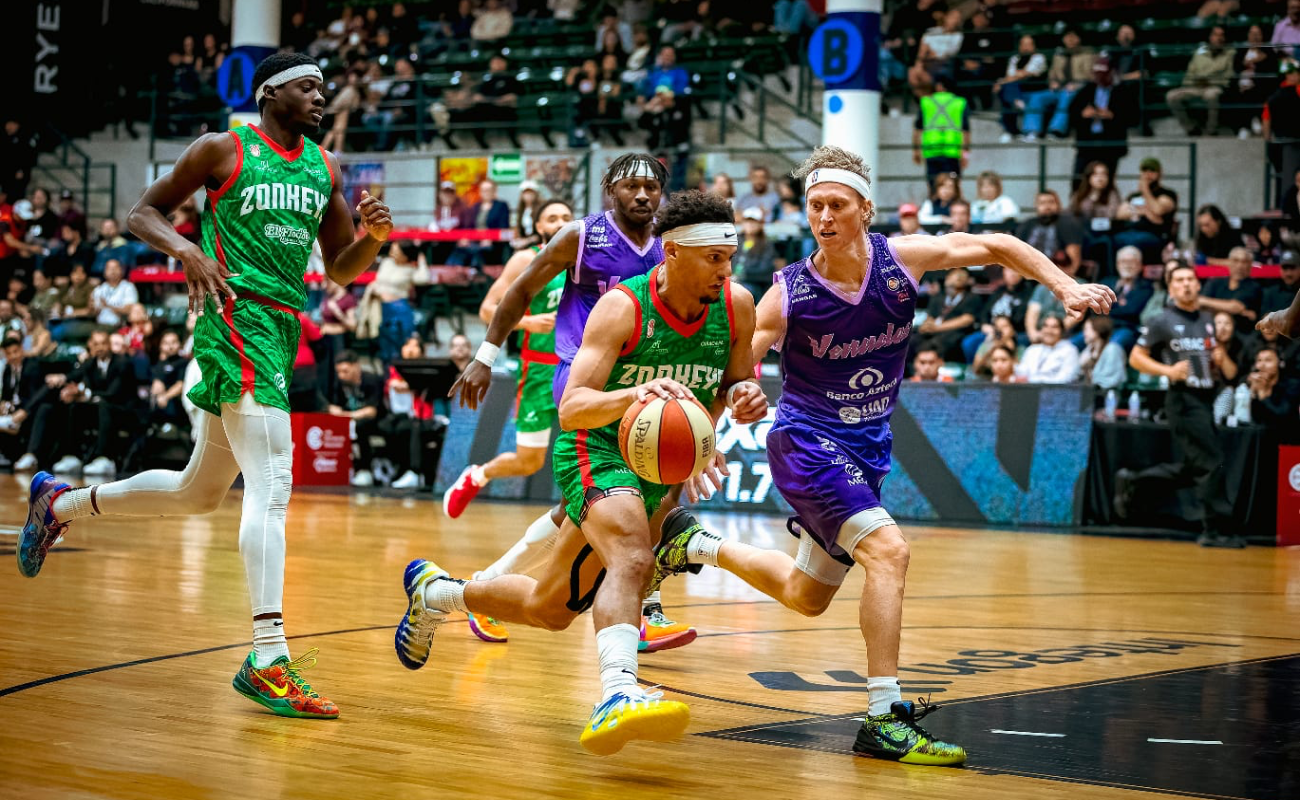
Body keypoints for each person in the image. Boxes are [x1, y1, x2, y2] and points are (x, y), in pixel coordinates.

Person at [650, 145, 1115, 766]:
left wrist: (1065, 285)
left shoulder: (904, 260)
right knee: (890, 552)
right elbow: (741, 362)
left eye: (836, 204)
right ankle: (883, 716)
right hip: (807, 444)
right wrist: (735, 399)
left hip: (867, 448)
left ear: (865, 210)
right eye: (814, 206)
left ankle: (692, 545)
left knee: (805, 595)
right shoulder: (788, 291)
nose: (823, 216)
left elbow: (1000, 244)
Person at [17, 52, 396, 719]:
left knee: (198, 493)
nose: (321, 96)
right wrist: (186, 249)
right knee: (274, 482)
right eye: (309, 86)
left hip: (281, 325)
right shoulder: (224, 148)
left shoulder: (323, 166)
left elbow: (341, 268)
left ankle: (60, 502)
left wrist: (373, 240)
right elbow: (142, 213)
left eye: (323, 89)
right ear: (270, 92)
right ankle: (268, 656)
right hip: (233, 319)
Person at [397, 190, 767, 756]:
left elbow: (731, 384)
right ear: (671, 252)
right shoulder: (623, 306)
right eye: (714, 256)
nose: (726, 268)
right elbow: (573, 408)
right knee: (634, 559)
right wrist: (635, 392)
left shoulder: (737, 305)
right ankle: (617, 692)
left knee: (550, 608)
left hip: (652, 463)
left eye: (730, 256)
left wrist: (734, 408)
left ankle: (438, 592)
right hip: (594, 447)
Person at [445, 153, 702, 652]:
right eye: (631, 186)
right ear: (610, 189)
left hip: (643, 380)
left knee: (582, 510)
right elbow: (517, 292)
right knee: (639, 496)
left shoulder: (670, 246)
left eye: (651, 186)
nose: (642, 195)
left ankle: (483, 583)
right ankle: (646, 611)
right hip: (584, 383)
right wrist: (484, 355)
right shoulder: (582, 237)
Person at [445, 199, 574, 519]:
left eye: (567, 217)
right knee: (529, 460)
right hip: (539, 368)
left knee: (590, 449)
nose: (560, 222)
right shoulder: (525, 259)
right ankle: (477, 476)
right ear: (539, 227)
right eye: (552, 217)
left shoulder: (587, 263)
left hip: (580, 368)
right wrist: (527, 322)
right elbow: (487, 309)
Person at [1115, 262, 1243, 548]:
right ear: (1171, 288)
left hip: (1207, 396)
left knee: (1195, 466)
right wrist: (1167, 371)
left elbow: (1216, 362)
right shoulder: (1162, 320)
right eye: (1180, 280)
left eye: (1190, 279)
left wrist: (1219, 361)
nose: (1186, 284)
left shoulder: (1208, 319)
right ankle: (1215, 529)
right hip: (1182, 398)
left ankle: (1135, 481)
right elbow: (1136, 358)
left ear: (1198, 285)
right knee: (1211, 461)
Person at [1068, 57, 1132, 185]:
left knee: (1106, 182)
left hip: (1110, 143)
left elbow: (1133, 117)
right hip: (1088, 143)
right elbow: (1072, 114)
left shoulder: (1123, 92)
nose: (1099, 78)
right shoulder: (1086, 91)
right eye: (1097, 74)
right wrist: (1083, 114)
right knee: (1078, 180)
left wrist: (1111, 115)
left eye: (1103, 74)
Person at [1022, 29, 1095, 140]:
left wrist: (1076, 84)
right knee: (1037, 97)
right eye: (1067, 37)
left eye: (1073, 36)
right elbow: (1052, 74)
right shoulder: (1059, 55)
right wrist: (1052, 83)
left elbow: (1089, 75)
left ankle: (1056, 130)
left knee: (1066, 95)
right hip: (1059, 89)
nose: (1070, 39)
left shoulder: (1087, 54)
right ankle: (1032, 131)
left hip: (1078, 89)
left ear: (1079, 39)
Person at [1166, 26, 1234, 136]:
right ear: (1210, 37)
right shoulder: (1199, 52)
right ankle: (1190, 129)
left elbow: (1228, 76)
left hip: (1214, 87)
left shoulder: (1230, 53)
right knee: (1171, 96)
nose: (1219, 38)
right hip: (1195, 86)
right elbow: (1190, 73)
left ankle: (1211, 130)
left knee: (1211, 95)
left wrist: (1210, 81)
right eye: (1216, 35)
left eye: (1222, 35)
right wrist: (1194, 82)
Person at [1114, 158, 1179, 264]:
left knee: (1134, 241)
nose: (1148, 174)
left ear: (1159, 173)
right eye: (1145, 171)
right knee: (1110, 239)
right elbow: (1119, 214)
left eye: (1152, 171)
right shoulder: (1133, 195)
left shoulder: (1167, 194)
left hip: (1154, 234)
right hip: (1129, 231)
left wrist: (1145, 190)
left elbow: (1158, 209)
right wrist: (1143, 211)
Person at [912, 77, 970, 184]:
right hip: (952, 150)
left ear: (939, 86)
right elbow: (965, 131)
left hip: (931, 150)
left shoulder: (925, 102)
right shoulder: (960, 103)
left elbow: (917, 130)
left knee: (933, 184)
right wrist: (965, 154)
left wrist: (916, 151)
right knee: (952, 185)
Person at [996, 35, 1048, 140]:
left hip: (1033, 88)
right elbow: (1011, 75)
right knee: (1005, 88)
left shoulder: (1039, 57)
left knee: (1004, 87)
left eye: (1029, 44)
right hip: (1017, 88)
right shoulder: (1015, 58)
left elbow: (1025, 74)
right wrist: (1011, 78)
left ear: (1034, 46)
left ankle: (1010, 130)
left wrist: (1004, 80)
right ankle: (1016, 102)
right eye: (1023, 44)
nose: (1026, 47)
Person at [1201, 246, 1261, 335]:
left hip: (1242, 335)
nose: (1240, 266)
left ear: (1250, 265)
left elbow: (1235, 307)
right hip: (1213, 332)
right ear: (1229, 262)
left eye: (1244, 262)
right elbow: (1200, 305)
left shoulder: (1254, 287)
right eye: (1236, 261)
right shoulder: (1215, 282)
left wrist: (1208, 304)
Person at [1102, 246, 1152, 351]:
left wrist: (1110, 305)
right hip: (1100, 327)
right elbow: (1096, 307)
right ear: (1117, 264)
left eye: (1132, 262)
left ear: (1140, 266)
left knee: (1112, 348)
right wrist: (1119, 304)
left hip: (1127, 329)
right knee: (1071, 344)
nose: (1127, 265)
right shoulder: (1106, 283)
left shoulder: (1145, 287)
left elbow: (1132, 310)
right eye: (1123, 261)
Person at [733, 207, 785, 299]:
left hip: (754, 284)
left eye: (754, 222)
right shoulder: (735, 241)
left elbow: (765, 270)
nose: (750, 225)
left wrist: (742, 275)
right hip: (732, 281)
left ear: (760, 224)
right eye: (747, 221)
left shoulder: (767, 244)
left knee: (743, 292)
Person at [1017, 315, 1080, 383]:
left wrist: (1033, 381)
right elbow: (1021, 374)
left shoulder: (1070, 351)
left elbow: (1066, 379)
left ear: (1062, 331)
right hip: (1028, 391)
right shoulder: (1031, 350)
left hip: (1056, 392)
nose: (1049, 331)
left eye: (1054, 327)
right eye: (1046, 326)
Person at [1078, 316, 1126, 390]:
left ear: (1098, 329)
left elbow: (1111, 380)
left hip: (1108, 396)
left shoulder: (1112, 349)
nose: (1084, 333)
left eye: (1087, 329)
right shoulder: (1089, 349)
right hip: (1089, 394)